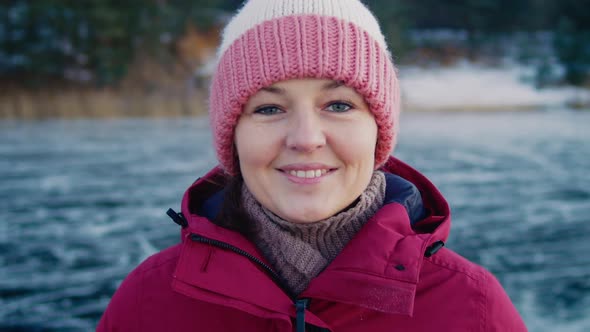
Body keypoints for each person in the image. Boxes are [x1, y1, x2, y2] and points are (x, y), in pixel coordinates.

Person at [97, 0, 527, 331]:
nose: (305, 139)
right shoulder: (148, 302)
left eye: (338, 105)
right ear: (232, 135)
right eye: (268, 109)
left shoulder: (472, 306)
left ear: (379, 130)